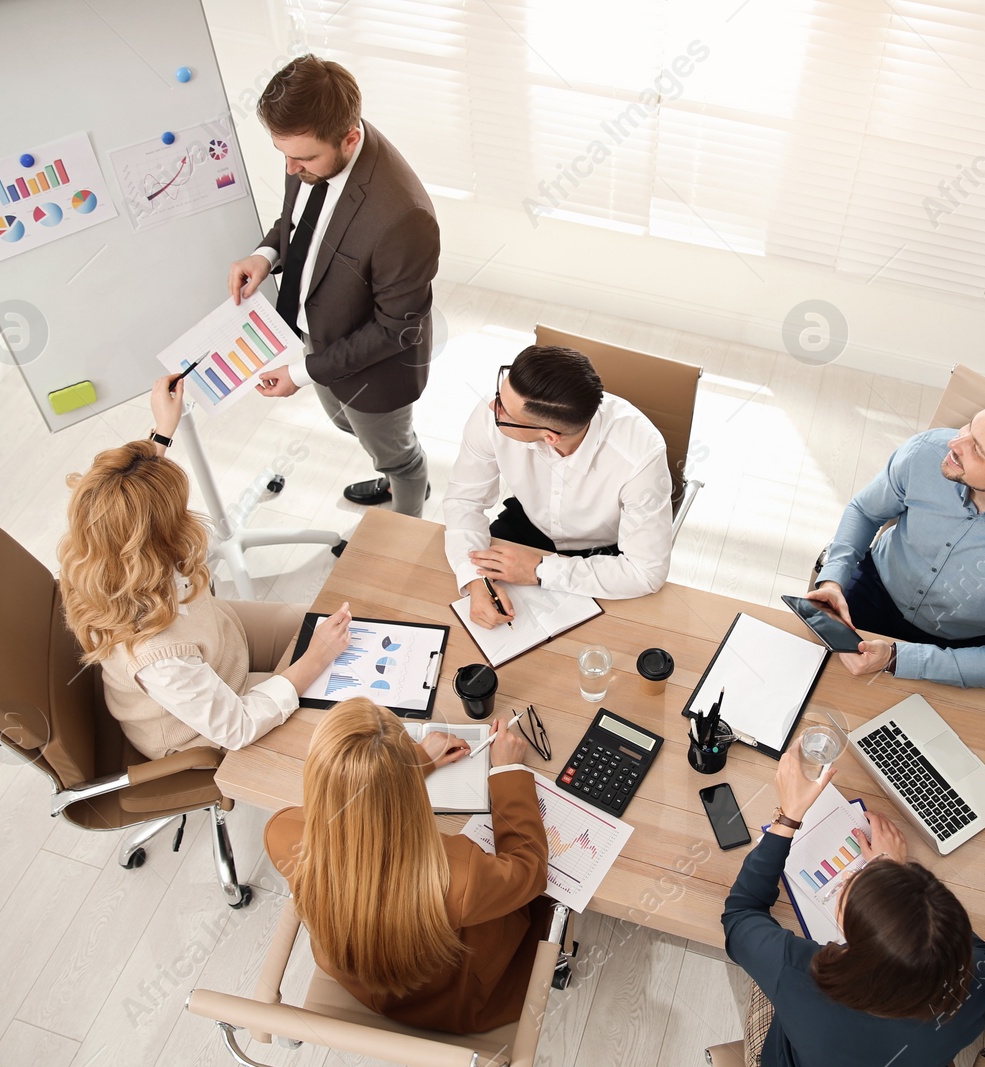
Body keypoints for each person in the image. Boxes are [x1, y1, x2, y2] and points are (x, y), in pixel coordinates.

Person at [57, 373, 354, 760]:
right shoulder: (160, 656)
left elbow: (134, 502)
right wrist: (315, 658)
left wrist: (163, 429)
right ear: (161, 535)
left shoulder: (100, 544)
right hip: (206, 725)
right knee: (338, 698)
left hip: (221, 643)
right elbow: (239, 726)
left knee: (325, 630)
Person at [229, 54, 441, 518]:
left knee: (398, 456)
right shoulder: (314, 151)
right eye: (284, 154)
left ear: (349, 137)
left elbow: (394, 332)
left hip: (374, 367)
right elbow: (304, 222)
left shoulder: (405, 219)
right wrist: (266, 254)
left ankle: (402, 515)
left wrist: (302, 373)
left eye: (302, 158)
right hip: (321, 338)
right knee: (349, 424)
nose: (290, 170)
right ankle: (392, 470)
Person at [265, 697, 551, 1033]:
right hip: (458, 1002)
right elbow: (529, 867)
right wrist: (507, 772)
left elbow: (351, 796)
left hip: (359, 986)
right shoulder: (459, 876)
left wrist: (412, 761)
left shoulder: (282, 832)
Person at [722, 748, 985, 1067]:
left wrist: (789, 816)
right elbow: (973, 947)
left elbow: (741, 913)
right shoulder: (980, 983)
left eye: (850, 888)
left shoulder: (797, 975)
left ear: (851, 942)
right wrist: (897, 887)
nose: (845, 877)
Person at [808, 387, 985, 690]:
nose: (954, 444)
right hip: (872, 588)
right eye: (968, 427)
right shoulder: (924, 451)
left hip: (956, 644)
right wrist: (834, 578)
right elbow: (865, 511)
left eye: (977, 449)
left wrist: (896, 658)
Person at [443, 344, 673, 627]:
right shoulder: (494, 412)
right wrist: (475, 580)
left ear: (550, 437)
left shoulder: (640, 456)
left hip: (603, 550)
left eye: (505, 410)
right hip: (529, 523)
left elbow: (646, 573)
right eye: (500, 394)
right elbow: (465, 501)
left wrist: (540, 570)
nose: (493, 406)